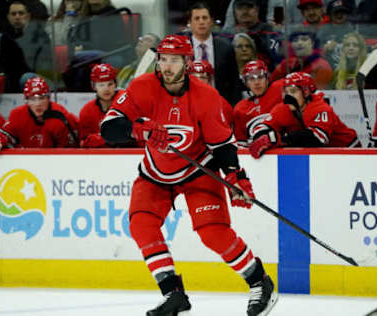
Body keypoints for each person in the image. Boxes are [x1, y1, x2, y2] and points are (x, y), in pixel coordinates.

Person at [99, 35, 277, 316]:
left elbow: (222, 144)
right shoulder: (142, 86)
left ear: (188, 62)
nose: (166, 66)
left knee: (213, 233)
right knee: (141, 225)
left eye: (174, 60)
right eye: (163, 59)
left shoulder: (206, 97)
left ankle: (260, 282)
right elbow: (108, 128)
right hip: (155, 173)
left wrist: (235, 176)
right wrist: (138, 128)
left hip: (197, 170)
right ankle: (173, 293)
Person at [249, 72, 360, 158]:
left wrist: (277, 139)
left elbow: (317, 139)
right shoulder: (284, 108)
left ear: (306, 92)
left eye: (293, 92)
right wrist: (264, 138)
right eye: (286, 92)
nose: (288, 97)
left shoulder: (320, 107)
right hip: (324, 155)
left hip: (348, 151)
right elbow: (259, 128)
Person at [0, 76, 78, 151]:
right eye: (32, 99)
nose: (38, 104)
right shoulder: (17, 115)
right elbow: (7, 136)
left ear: (49, 99)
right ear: (26, 101)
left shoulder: (60, 116)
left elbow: (69, 151)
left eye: (42, 98)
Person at [185, 2, 242, 106]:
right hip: (190, 105)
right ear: (190, 23)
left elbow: (235, 83)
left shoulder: (225, 48)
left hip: (220, 105)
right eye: (197, 19)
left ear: (211, 21)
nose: (201, 22)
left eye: (205, 18)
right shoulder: (183, 48)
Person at [222, 0, 283, 72]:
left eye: (249, 7)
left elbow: (279, 64)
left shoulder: (271, 33)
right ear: (234, 12)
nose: (245, 11)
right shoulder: (227, 36)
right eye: (240, 8)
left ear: (257, 10)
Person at [233, 60, 284, 147]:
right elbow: (241, 144)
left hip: (284, 149)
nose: (256, 82)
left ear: (267, 79)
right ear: (246, 83)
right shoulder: (240, 109)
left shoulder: (280, 89)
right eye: (251, 79)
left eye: (260, 77)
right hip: (256, 154)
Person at [79, 63, 127, 148]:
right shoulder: (87, 112)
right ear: (93, 86)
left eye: (110, 84)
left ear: (115, 84)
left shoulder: (126, 103)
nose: (106, 89)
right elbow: (84, 143)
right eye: (101, 85)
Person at [5, 1, 53, 79]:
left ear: (28, 16)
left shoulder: (39, 35)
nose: (17, 17)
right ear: (8, 17)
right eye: (13, 14)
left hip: (34, 79)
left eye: (21, 13)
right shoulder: (6, 36)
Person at [187, 59, 234, 126]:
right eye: (194, 77)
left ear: (209, 80)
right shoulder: (179, 100)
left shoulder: (222, 104)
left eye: (203, 77)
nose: (198, 81)